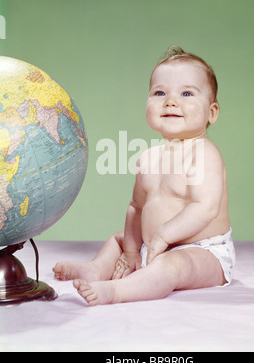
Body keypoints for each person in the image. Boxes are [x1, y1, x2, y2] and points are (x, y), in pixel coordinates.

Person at [53, 46, 235, 305]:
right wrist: (129, 251)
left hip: (203, 251)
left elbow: (204, 207)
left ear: (211, 112)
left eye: (186, 93)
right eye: (160, 92)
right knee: (119, 239)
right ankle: (96, 269)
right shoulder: (148, 157)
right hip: (155, 247)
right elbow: (136, 207)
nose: (171, 101)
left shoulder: (204, 153)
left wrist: (162, 236)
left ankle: (117, 291)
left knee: (172, 266)